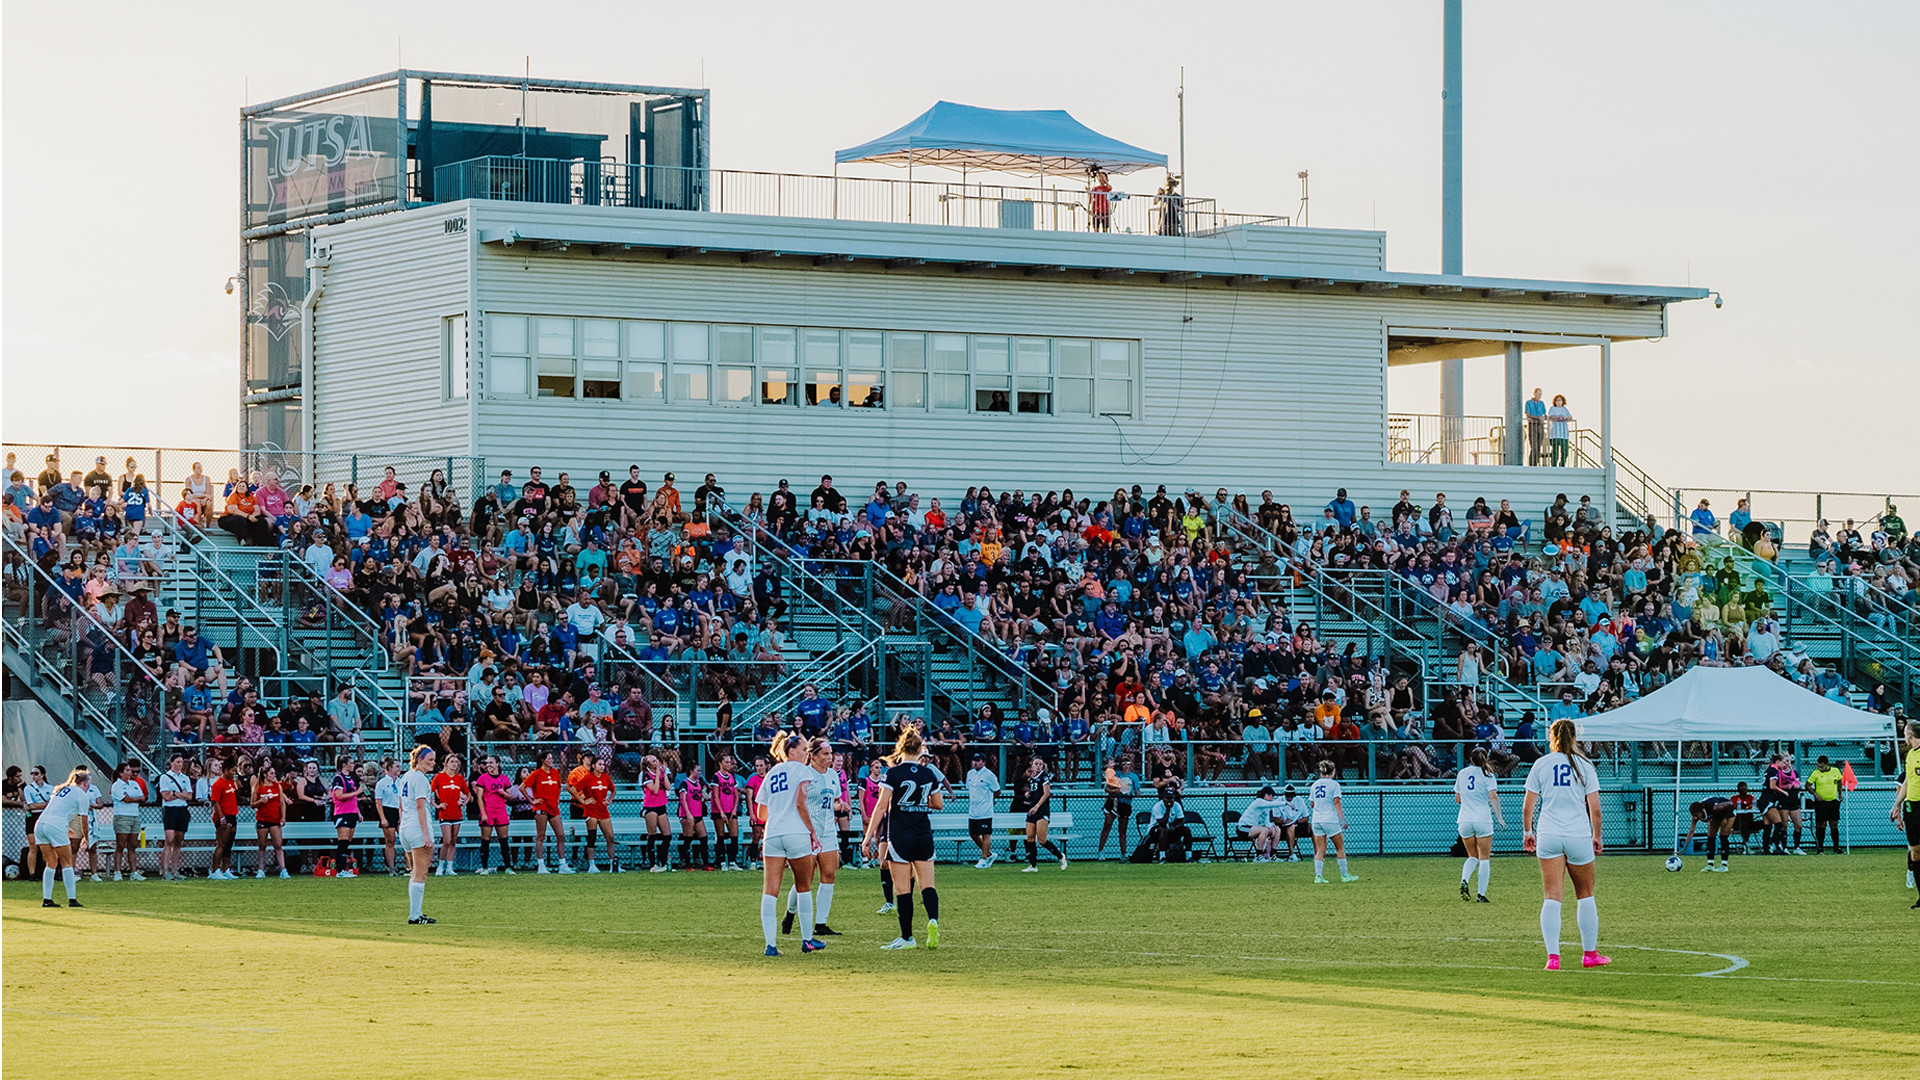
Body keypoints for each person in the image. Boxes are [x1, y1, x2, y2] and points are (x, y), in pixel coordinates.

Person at [1522, 718, 1607, 970]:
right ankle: (1590, 955)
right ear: (1574, 737)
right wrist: (1597, 835)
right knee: (1585, 895)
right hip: (1578, 834)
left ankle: (1553, 958)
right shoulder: (1584, 765)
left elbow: (1528, 806)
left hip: (1549, 834)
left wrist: (1528, 831)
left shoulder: (1542, 764)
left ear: (1552, 736)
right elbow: (1595, 809)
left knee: (1552, 896)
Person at [862, 728, 945, 950]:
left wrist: (868, 837)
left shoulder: (893, 773)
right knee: (928, 885)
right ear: (920, 750)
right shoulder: (929, 774)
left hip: (900, 835)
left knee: (902, 889)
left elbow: (881, 806)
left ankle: (907, 937)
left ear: (901, 748)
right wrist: (918, 802)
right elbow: (938, 804)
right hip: (923, 834)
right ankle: (933, 920)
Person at [757, 732, 827, 956]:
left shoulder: (772, 773)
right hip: (796, 833)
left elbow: (761, 812)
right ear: (791, 751)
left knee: (770, 891)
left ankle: (771, 945)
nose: (807, 752)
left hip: (773, 834)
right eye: (804, 748)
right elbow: (800, 803)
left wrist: (778, 815)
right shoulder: (803, 771)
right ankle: (807, 940)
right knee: (803, 886)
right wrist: (812, 831)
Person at [785, 738, 844, 937]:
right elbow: (797, 803)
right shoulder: (804, 774)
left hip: (827, 832)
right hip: (807, 831)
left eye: (831, 753)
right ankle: (790, 913)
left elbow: (833, 801)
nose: (830, 757)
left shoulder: (833, 775)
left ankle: (821, 924)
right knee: (805, 878)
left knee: (829, 875)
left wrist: (839, 806)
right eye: (826, 754)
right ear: (814, 755)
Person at [34, 767, 96, 907]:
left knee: (51, 862)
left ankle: (47, 899)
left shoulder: (62, 790)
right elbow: (84, 822)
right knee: (66, 862)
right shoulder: (81, 794)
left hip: (41, 824)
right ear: (85, 783)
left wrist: (66, 828)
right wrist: (87, 838)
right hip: (55, 826)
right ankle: (72, 899)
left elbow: (58, 810)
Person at [1454, 747, 1505, 902]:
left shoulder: (1462, 774)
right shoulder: (1488, 775)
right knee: (1484, 858)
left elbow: (1458, 798)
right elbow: (1493, 797)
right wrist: (1499, 817)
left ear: (1471, 759)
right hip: (1482, 819)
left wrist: (1470, 800)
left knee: (1472, 856)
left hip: (1464, 819)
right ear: (1486, 758)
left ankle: (1465, 879)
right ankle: (1481, 895)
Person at [400, 746, 438, 924]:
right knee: (420, 874)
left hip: (406, 828)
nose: (433, 763)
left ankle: (416, 912)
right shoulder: (421, 779)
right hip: (417, 828)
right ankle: (414, 916)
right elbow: (420, 807)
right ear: (419, 760)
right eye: (429, 759)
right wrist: (426, 835)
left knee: (415, 873)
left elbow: (402, 805)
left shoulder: (405, 777)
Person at [1309, 760, 1357, 884]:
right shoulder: (1334, 784)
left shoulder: (1314, 785)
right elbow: (1336, 802)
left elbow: (1312, 804)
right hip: (1329, 819)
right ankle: (1345, 875)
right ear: (1333, 771)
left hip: (1316, 820)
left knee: (1320, 849)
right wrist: (1342, 820)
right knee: (1340, 847)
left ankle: (1318, 876)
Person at [1890, 721, 1920, 905]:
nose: (1903, 737)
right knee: (1915, 852)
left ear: (1910, 736)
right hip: (1912, 808)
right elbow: (1908, 782)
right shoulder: (1909, 756)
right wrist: (1897, 805)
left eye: (1904, 734)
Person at [1020, 756, 1066, 872]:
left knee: (1041, 840)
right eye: (1036, 764)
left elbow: (1046, 793)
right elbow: (1034, 792)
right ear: (1032, 765)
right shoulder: (1032, 778)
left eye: (1040, 764)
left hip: (1041, 810)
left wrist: (1037, 806)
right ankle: (1033, 865)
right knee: (1030, 837)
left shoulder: (1044, 777)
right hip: (1032, 810)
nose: (1038, 766)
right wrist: (1028, 794)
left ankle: (1060, 856)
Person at [471, 755, 514, 874]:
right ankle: (484, 868)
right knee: (485, 840)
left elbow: (510, 796)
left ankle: (508, 867)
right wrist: (483, 813)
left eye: (491, 763)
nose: (488, 765)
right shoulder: (482, 778)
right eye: (487, 763)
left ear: (497, 764)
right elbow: (479, 797)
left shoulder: (504, 778)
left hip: (501, 811)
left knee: (503, 840)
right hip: (488, 811)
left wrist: (503, 793)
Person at [527, 751, 568, 874]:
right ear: (543, 760)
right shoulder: (536, 774)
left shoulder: (555, 772)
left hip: (553, 808)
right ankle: (541, 865)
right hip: (542, 807)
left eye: (551, 758)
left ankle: (562, 864)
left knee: (560, 835)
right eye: (549, 758)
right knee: (541, 836)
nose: (551, 760)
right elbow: (522, 787)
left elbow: (559, 786)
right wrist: (532, 800)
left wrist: (557, 798)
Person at [576, 758, 617, 873]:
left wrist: (609, 800)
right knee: (592, 837)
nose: (602, 767)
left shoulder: (605, 777)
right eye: (599, 764)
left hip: (603, 811)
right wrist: (583, 801)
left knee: (610, 837)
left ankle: (612, 863)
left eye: (603, 764)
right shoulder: (588, 777)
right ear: (593, 766)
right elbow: (572, 788)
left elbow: (613, 790)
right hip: (591, 811)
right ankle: (592, 864)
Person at [431, 754, 469, 876]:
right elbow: (428, 793)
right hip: (445, 813)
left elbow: (468, 795)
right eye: (451, 761)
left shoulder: (459, 779)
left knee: (453, 840)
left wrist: (463, 802)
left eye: (456, 762)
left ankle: (450, 867)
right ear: (445, 763)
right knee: (446, 840)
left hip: (457, 814)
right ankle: (440, 866)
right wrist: (437, 805)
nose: (454, 764)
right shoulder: (439, 777)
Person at [110, 761, 148, 881]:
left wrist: (134, 799)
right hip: (122, 816)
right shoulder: (117, 785)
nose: (130, 772)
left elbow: (143, 798)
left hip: (134, 815)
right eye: (127, 770)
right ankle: (117, 871)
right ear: (121, 773)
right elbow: (125, 799)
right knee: (120, 845)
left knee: (132, 845)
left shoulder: (134, 784)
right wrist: (135, 799)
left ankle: (134, 872)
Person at [1097, 753, 1140, 859]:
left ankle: (1123, 853)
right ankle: (1100, 851)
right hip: (1114, 802)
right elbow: (1107, 789)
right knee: (1107, 826)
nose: (1125, 766)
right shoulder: (1116, 775)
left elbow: (1137, 791)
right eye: (1123, 763)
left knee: (1122, 829)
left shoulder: (1134, 777)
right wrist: (1118, 790)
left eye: (1128, 764)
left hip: (1125, 803)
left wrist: (1134, 793)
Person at [156, 754, 191, 881]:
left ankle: (175, 870)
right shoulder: (165, 778)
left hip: (182, 809)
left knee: (178, 840)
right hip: (170, 810)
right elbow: (166, 796)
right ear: (172, 763)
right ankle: (165, 870)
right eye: (177, 762)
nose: (179, 764)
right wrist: (178, 794)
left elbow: (189, 795)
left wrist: (175, 794)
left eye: (181, 762)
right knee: (169, 840)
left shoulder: (185, 778)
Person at [1681, 794, 1737, 872]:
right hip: (1715, 815)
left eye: (1697, 815)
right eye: (1694, 815)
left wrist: (1725, 818)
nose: (1696, 818)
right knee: (1711, 836)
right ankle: (1710, 865)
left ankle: (1724, 865)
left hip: (1728, 812)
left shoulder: (1714, 807)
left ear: (1701, 811)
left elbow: (1731, 804)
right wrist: (1684, 848)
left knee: (1723, 836)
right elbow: (1691, 831)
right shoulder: (1695, 816)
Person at [328, 757, 364, 877]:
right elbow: (339, 795)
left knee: (347, 841)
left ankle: (343, 868)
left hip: (352, 812)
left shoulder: (352, 778)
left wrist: (358, 812)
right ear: (344, 765)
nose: (353, 765)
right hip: (342, 812)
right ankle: (340, 870)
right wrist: (357, 793)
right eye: (351, 763)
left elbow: (353, 798)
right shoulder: (339, 778)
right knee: (342, 842)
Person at [252, 764, 290, 878]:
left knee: (278, 845)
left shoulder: (277, 786)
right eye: (271, 773)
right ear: (265, 775)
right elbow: (252, 804)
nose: (274, 775)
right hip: (262, 819)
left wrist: (283, 817)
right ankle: (261, 870)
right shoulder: (257, 787)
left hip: (274, 819)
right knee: (262, 845)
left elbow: (282, 803)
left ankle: (283, 869)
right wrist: (260, 801)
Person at [965, 754, 1001, 868]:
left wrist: (990, 800)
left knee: (986, 834)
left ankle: (984, 858)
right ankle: (989, 854)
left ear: (984, 762)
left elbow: (997, 791)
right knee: (973, 834)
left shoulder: (989, 775)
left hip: (985, 810)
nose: (975, 763)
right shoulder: (970, 774)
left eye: (978, 761)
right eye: (974, 760)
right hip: (973, 811)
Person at [1805, 755, 1844, 854]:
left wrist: (1840, 793)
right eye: (1818, 766)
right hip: (1821, 803)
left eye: (1821, 766)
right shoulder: (1815, 773)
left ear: (1827, 764)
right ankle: (1820, 848)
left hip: (1833, 801)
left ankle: (1836, 848)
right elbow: (1807, 785)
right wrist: (1815, 794)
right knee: (1822, 824)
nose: (1819, 768)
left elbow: (1839, 781)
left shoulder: (1835, 771)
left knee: (1834, 824)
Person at [208, 759, 240, 880]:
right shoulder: (218, 784)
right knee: (221, 844)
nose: (234, 772)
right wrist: (221, 817)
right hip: (223, 816)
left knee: (229, 844)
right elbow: (215, 802)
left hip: (232, 814)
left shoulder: (232, 782)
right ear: (226, 770)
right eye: (232, 770)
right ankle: (214, 870)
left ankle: (226, 869)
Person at [640, 755, 673, 871]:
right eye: (654, 761)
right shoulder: (646, 775)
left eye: (657, 759)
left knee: (667, 836)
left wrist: (664, 773)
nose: (657, 762)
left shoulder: (662, 772)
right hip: (651, 807)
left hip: (661, 805)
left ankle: (663, 862)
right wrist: (658, 774)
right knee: (652, 835)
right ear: (648, 764)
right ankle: (653, 864)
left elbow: (668, 787)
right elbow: (654, 789)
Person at [711, 754, 743, 871]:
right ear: (720, 763)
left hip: (730, 810)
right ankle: (722, 861)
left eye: (730, 762)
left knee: (734, 836)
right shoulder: (716, 777)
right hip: (719, 811)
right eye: (726, 762)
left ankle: (732, 861)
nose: (729, 764)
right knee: (721, 836)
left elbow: (736, 795)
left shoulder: (732, 777)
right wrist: (721, 812)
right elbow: (715, 796)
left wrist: (734, 810)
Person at [1238, 785, 1285, 862]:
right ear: (1266, 795)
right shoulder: (1258, 801)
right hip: (1244, 828)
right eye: (1271, 795)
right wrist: (1285, 803)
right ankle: (1258, 856)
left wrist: (1272, 828)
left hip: (1255, 828)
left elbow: (1266, 822)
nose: (1273, 798)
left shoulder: (1266, 808)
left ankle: (1273, 855)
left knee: (1277, 829)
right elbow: (1272, 804)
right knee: (1264, 830)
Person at [374, 758, 404, 874]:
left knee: (406, 839)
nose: (399, 769)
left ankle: (409, 867)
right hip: (388, 811)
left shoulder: (401, 782)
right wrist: (383, 817)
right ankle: (391, 867)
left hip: (400, 810)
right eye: (397, 766)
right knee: (390, 841)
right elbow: (378, 802)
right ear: (390, 768)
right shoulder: (382, 783)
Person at [679, 766, 711, 872]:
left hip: (698, 814)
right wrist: (688, 814)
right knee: (688, 839)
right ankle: (688, 864)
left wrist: (705, 797)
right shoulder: (685, 783)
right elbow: (682, 800)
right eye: (697, 771)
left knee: (703, 838)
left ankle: (706, 864)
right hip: (687, 815)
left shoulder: (699, 783)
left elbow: (701, 797)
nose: (699, 773)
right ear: (691, 771)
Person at [1546, 395, 1574, 467]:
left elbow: (1570, 416)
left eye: (1560, 400)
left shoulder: (1564, 409)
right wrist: (1559, 417)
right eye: (1557, 400)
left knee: (1565, 451)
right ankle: (1554, 465)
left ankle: (1562, 464)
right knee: (1555, 451)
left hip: (1563, 434)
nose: (1558, 402)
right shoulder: (1552, 408)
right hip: (1555, 433)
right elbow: (1551, 417)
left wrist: (1567, 418)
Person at [1524, 388, 1548, 466]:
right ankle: (1532, 463)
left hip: (1540, 425)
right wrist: (1537, 417)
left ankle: (1536, 462)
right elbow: (1528, 414)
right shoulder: (1528, 403)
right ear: (1534, 393)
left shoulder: (1542, 403)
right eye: (1538, 394)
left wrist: (1545, 417)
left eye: (1540, 394)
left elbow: (1544, 414)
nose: (1539, 396)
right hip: (1532, 425)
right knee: (1534, 445)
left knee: (1539, 445)